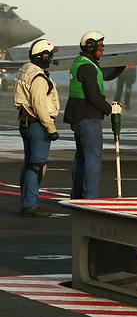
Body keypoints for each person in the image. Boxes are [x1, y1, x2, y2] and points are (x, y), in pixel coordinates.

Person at [63, 31, 121, 199]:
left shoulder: (78, 62)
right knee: (92, 158)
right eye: (99, 46)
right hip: (88, 117)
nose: (102, 49)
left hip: (77, 115)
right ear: (90, 46)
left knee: (81, 157)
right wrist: (110, 109)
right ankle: (90, 197)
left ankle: (77, 194)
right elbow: (93, 96)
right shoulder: (88, 67)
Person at [13, 39, 60, 217]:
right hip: (37, 124)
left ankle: (27, 203)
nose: (52, 58)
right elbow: (39, 105)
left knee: (29, 164)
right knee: (37, 165)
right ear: (44, 56)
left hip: (25, 122)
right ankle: (30, 205)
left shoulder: (24, 69)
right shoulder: (39, 77)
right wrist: (51, 128)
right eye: (50, 54)